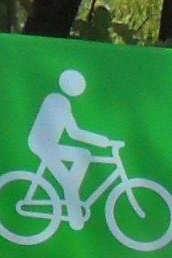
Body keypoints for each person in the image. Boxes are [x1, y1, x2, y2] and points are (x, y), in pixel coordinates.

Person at [25, 69, 116, 222]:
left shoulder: (59, 100)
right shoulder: (58, 101)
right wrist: (104, 142)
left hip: (47, 145)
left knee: (84, 155)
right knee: (70, 178)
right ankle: (74, 210)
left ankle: (72, 191)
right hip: (43, 145)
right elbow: (74, 133)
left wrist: (104, 142)